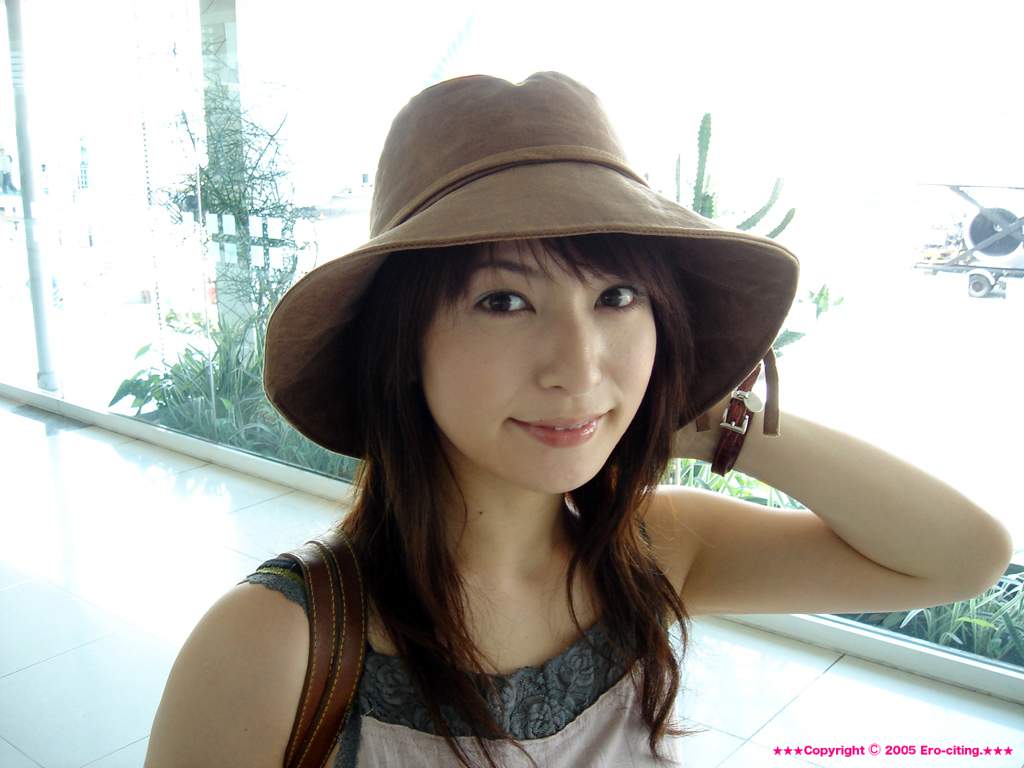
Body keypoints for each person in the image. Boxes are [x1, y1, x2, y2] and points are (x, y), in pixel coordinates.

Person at [144, 72, 1013, 767]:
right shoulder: (274, 643)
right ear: (401, 347)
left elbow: (962, 558)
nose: (581, 366)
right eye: (504, 300)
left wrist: (728, 427)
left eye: (617, 296)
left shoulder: (652, 552)